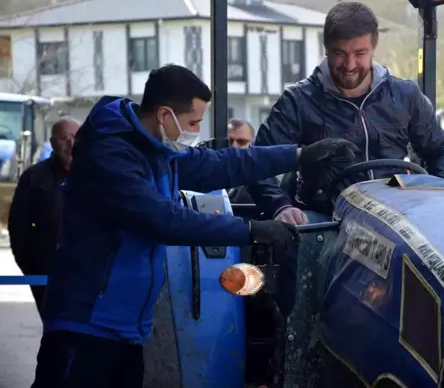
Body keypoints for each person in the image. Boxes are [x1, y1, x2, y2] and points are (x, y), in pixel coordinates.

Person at [30, 64, 357, 388]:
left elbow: (223, 163)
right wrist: (250, 230)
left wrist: (298, 155)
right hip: (87, 323)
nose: (195, 130)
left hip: (126, 326)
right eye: (192, 122)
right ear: (164, 116)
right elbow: (163, 220)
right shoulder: (111, 156)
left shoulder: (157, 151)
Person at [248, 1, 444, 316]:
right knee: (299, 245)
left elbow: (440, 149)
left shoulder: (404, 96)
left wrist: (436, 198)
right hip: (325, 217)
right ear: (327, 50)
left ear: (373, 48)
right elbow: (256, 164)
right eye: (340, 54)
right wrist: (281, 206)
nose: (349, 64)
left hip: (395, 215)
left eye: (359, 54)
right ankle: (298, 341)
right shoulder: (299, 102)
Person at [8, 116, 81, 319]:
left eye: (75, 137)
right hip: (48, 271)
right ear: (52, 143)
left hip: (89, 271)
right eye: (64, 138)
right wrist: (31, 266)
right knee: (56, 331)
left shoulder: (98, 174)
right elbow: (18, 227)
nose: (71, 144)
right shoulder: (34, 177)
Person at [225, 118, 255, 204]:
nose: (234, 146)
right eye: (229, 141)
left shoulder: (262, 178)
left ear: (251, 144)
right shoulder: (208, 171)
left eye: (241, 142)